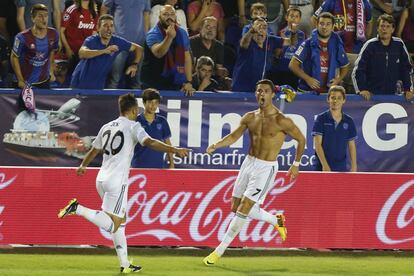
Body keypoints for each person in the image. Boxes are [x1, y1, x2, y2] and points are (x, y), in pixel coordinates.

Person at [58, 93, 190, 273]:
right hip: (117, 182)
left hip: (101, 179)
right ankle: (78, 209)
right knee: (113, 224)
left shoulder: (106, 126)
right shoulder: (134, 126)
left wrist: (83, 166)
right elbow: (150, 142)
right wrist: (174, 149)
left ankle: (125, 264)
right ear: (134, 110)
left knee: (121, 222)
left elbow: (95, 150)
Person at [203, 79, 306, 266]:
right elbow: (234, 136)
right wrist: (216, 145)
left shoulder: (281, 120)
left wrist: (296, 164)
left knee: (244, 209)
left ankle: (218, 252)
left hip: (266, 168)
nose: (261, 94)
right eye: (259, 91)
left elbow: (301, 139)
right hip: (248, 163)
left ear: (272, 94)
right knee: (235, 207)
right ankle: (276, 219)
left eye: (266, 91)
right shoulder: (250, 117)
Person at [70, 14, 143, 89]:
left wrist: (135, 64)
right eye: (105, 26)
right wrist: (104, 51)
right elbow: (82, 53)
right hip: (79, 83)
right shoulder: (91, 40)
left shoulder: (117, 41)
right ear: (98, 28)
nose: (109, 29)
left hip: (99, 86)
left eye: (111, 26)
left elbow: (138, 48)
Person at [352, 14, 414, 100]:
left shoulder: (399, 44)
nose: (384, 29)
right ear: (377, 28)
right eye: (382, 26)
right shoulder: (370, 45)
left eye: (388, 26)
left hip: (394, 96)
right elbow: (358, 70)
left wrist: (408, 89)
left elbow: (407, 69)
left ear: (393, 29)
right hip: (371, 95)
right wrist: (362, 89)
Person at [289, 12, 349, 94]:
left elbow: (345, 66)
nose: (324, 27)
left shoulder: (337, 44)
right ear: (317, 25)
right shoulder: (307, 43)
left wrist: (337, 80)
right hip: (307, 91)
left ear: (332, 27)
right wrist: (308, 79)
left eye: (328, 24)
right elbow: (292, 65)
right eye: (321, 23)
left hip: (328, 92)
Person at [140, 5, 195, 95]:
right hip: (152, 82)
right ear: (159, 17)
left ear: (175, 16)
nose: (169, 17)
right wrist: (169, 37)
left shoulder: (182, 33)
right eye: (165, 14)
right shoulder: (153, 34)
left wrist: (188, 82)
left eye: (172, 14)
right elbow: (158, 53)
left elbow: (187, 58)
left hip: (173, 81)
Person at [101, 0, 151, 89]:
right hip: (118, 44)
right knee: (114, 80)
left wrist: (145, 36)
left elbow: (146, 14)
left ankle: (134, 103)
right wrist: (104, 33)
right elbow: (104, 10)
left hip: (138, 44)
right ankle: (109, 103)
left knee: (136, 82)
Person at [11, 4, 59, 89]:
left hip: (43, 81)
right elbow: (14, 57)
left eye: (46, 16)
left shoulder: (54, 34)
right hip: (24, 82)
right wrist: (20, 80)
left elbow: (51, 51)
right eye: (40, 16)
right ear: (33, 19)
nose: (44, 19)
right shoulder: (21, 37)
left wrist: (51, 70)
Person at [312, 85, 357, 172]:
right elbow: (317, 145)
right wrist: (325, 165)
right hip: (321, 167)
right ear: (328, 99)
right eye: (333, 98)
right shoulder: (321, 118)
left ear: (344, 100)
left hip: (341, 167)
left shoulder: (349, 121)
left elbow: (352, 146)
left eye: (339, 98)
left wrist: (354, 166)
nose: (335, 101)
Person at [232, 17, 283, 92]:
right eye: (258, 27)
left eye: (264, 27)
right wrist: (252, 31)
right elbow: (244, 43)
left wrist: (293, 32)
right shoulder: (247, 42)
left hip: (258, 90)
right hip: (241, 89)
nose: (260, 30)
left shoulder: (270, 40)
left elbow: (291, 42)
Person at [131, 88, 175, 168]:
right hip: (138, 167)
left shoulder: (162, 121)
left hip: (158, 167)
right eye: (150, 102)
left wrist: (172, 163)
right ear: (144, 103)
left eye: (156, 103)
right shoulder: (135, 121)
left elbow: (168, 143)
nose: (153, 106)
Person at [267, 6, 305, 89]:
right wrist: (280, 48)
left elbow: (301, 52)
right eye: (291, 16)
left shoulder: (302, 35)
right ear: (286, 17)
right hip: (280, 70)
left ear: (299, 19)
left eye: (296, 16)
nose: (294, 19)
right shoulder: (281, 32)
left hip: (294, 71)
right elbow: (276, 55)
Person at [60, 0, 98, 74]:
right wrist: (67, 49)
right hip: (72, 53)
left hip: (86, 53)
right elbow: (61, 31)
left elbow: (94, 34)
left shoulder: (94, 12)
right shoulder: (71, 10)